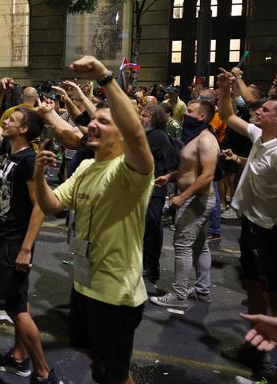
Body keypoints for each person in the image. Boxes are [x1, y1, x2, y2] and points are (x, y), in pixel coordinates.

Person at [34, 55, 154, 384]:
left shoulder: (131, 172)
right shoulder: (87, 167)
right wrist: (39, 173)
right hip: (84, 284)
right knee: (99, 362)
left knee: (114, 374)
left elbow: (138, 137)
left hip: (115, 295)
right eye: (93, 120)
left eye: (103, 121)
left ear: (122, 133)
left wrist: (104, 76)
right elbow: (51, 205)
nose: (91, 124)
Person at [0, 77, 63, 384]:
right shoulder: (10, 149)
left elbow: (40, 207)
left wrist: (26, 247)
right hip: (6, 237)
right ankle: (19, 356)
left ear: (24, 129)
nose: (6, 121)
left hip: (15, 241)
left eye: (13, 119)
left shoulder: (29, 161)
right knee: (20, 301)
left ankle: (43, 371)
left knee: (17, 310)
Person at [216, 68, 277, 375]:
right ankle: (255, 349)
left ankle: (267, 359)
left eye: (265, 109)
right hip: (250, 225)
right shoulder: (258, 136)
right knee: (253, 288)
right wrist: (226, 88)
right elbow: (227, 115)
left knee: (271, 294)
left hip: (269, 231)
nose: (258, 109)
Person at [150, 99, 219, 309]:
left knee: (182, 245)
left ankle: (179, 295)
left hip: (197, 199)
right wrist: (171, 177)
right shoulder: (195, 138)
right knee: (200, 245)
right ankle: (202, 289)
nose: (184, 114)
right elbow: (189, 169)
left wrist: (182, 196)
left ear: (202, 116)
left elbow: (207, 176)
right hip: (194, 198)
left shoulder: (206, 140)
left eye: (189, 111)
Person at [139, 105, 175, 285]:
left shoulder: (157, 136)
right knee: (145, 227)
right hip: (149, 187)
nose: (140, 118)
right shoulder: (151, 134)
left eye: (144, 115)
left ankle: (151, 265)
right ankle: (147, 264)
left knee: (152, 226)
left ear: (153, 118)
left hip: (155, 189)